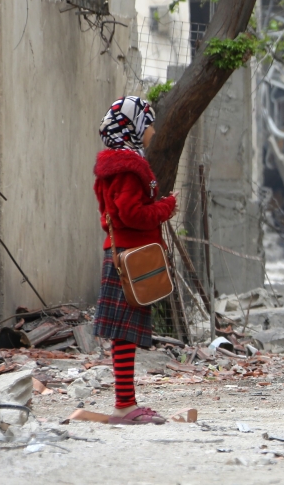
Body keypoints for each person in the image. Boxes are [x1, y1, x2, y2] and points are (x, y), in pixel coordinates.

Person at [94, 96, 178, 425]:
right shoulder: (130, 168)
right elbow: (129, 213)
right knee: (125, 332)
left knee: (123, 333)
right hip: (132, 257)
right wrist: (165, 208)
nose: (153, 131)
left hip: (122, 254)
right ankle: (125, 406)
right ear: (134, 126)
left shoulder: (114, 165)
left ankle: (125, 402)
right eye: (149, 122)